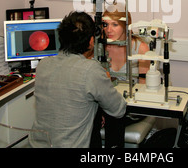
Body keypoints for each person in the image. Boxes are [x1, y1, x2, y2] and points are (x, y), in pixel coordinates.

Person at [29, 11, 126, 148]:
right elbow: (118, 109)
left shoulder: (43, 65)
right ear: (91, 41)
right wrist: (106, 81)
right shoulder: (91, 70)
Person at [92, 5, 150, 148]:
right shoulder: (100, 47)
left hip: (131, 106)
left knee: (114, 116)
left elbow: (143, 85)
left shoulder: (140, 48)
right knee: (89, 117)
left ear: (126, 25)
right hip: (106, 103)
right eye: (105, 24)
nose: (108, 30)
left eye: (115, 25)